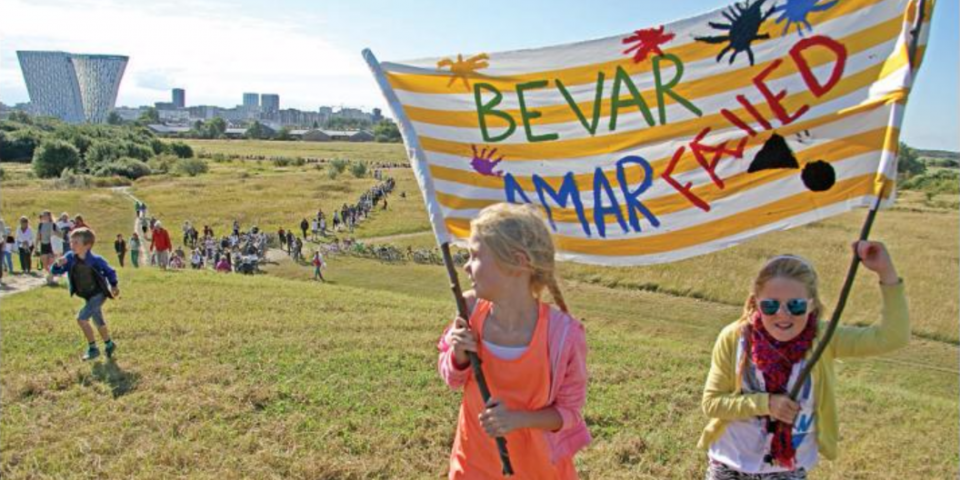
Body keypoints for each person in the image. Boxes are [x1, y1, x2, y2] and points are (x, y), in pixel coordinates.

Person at [698, 242, 909, 480]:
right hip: (730, 464)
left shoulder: (824, 338)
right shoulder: (735, 338)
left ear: (812, 304)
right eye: (770, 305)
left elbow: (892, 338)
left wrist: (886, 272)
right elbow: (712, 404)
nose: (783, 314)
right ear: (756, 302)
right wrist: (766, 404)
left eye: (796, 305)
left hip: (789, 469)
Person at [437, 203, 590, 479]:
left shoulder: (563, 336)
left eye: (475, 255)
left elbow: (569, 413)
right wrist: (458, 355)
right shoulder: (470, 311)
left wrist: (519, 420)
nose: (466, 266)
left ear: (518, 262)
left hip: (539, 469)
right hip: (473, 465)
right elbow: (451, 378)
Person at [50, 228, 120, 361]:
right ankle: (109, 344)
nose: (72, 245)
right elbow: (56, 271)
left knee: (81, 319)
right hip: (87, 295)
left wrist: (114, 285)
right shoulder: (70, 258)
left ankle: (93, 348)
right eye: (71, 242)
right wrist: (58, 264)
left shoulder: (96, 260)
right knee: (98, 320)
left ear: (87, 245)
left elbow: (110, 271)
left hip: (99, 294)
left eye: (76, 242)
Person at [36, 211, 59, 284]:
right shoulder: (40, 225)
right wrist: (35, 245)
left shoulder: (54, 225)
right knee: (45, 264)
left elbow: (60, 234)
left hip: (51, 245)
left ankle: (51, 278)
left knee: (51, 263)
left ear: (49, 216)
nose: (43, 216)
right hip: (43, 245)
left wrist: (54, 234)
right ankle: (51, 274)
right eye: (43, 215)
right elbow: (37, 235)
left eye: (45, 215)